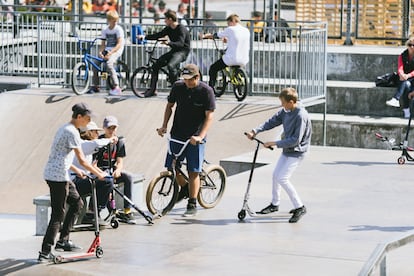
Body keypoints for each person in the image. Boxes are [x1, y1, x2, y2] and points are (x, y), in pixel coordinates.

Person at [38, 103, 108, 263]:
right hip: (58, 177)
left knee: (77, 203)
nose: (89, 121)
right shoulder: (72, 133)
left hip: (60, 174)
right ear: (79, 117)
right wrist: (99, 173)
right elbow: (83, 160)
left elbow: (61, 154)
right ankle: (45, 252)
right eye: (87, 118)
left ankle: (63, 241)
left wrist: (77, 171)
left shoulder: (64, 128)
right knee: (58, 214)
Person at [156, 64, 216, 217]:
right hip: (177, 133)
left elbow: (209, 116)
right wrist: (164, 126)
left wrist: (200, 136)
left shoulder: (206, 92)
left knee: (193, 171)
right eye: (185, 80)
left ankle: (192, 202)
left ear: (198, 77)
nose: (187, 83)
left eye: (190, 80)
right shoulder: (178, 87)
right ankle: (184, 188)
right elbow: (169, 106)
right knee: (172, 166)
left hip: (195, 136)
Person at [245, 87, 311, 223]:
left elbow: (295, 140)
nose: (282, 105)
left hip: (298, 152)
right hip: (287, 150)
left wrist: (274, 143)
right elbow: (272, 121)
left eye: (283, 102)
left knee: (283, 178)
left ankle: (300, 207)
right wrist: (255, 131)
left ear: (292, 102)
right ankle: (275, 204)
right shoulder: (286, 111)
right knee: (276, 175)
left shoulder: (300, 116)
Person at [70, 121, 117, 224]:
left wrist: (102, 175)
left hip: (81, 179)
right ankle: (92, 213)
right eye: (95, 132)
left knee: (106, 180)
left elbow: (91, 166)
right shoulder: (83, 144)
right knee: (107, 182)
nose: (97, 135)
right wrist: (110, 139)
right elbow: (97, 143)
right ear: (89, 132)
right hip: (74, 182)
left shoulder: (86, 147)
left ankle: (93, 211)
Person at [93, 115, 136, 224]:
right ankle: (108, 210)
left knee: (128, 177)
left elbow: (120, 161)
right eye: (109, 128)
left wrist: (118, 170)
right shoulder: (99, 141)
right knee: (107, 181)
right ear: (104, 128)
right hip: (101, 170)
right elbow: (94, 163)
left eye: (114, 128)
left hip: (113, 169)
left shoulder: (119, 142)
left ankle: (127, 210)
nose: (111, 130)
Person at [139, 9, 191, 98]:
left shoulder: (181, 28)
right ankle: (152, 90)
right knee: (155, 66)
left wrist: (168, 43)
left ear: (170, 19)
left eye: (165, 19)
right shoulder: (169, 28)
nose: (164, 21)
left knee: (171, 65)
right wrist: (145, 37)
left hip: (183, 51)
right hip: (174, 51)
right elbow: (158, 34)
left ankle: (176, 92)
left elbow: (180, 43)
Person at [202, 14, 250, 96]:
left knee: (213, 68)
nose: (228, 25)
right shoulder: (246, 30)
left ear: (232, 21)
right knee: (235, 70)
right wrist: (227, 40)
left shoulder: (230, 29)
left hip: (231, 58)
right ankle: (240, 88)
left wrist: (207, 36)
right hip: (244, 58)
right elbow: (236, 41)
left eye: (228, 23)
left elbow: (217, 35)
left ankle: (211, 90)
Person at [88, 10, 125, 96]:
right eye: (113, 20)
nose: (115, 22)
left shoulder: (118, 29)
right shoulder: (105, 30)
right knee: (95, 64)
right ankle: (96, 86)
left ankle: (117, 87)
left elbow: (119, 44)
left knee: (109, 64)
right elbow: (103, 44)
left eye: (116, 20)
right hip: (108, 49)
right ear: (109, 20)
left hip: (116, 50)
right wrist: (100, 52)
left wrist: (111, 53)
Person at [385, 35, 414, 118]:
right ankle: (404, 108)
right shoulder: (403, 55)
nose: (411, 47)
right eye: (410, 45)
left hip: (412, 78)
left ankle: (396, 99)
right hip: (404, 79)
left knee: (406, 83)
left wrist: (408, 75)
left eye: (413, 45)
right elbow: (400, 67)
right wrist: (402, 74)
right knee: (406, 85)